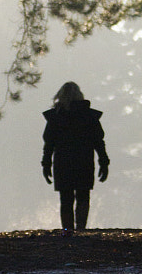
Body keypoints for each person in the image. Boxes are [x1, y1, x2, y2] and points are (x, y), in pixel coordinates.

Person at [42, 82, 108, 233]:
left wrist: (46, 165)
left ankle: (68, 230)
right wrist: (103, 162)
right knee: (83, 196)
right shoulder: (89, 116)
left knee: (66, 199)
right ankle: (80, 229)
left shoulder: (55, 117)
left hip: (62, 163)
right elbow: (99, 142)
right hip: (84, 162)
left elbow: (49, 144)